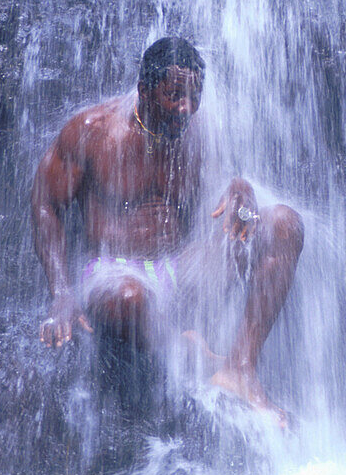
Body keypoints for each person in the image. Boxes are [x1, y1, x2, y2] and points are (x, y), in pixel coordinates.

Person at [30, 36, 304, 424]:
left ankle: (240, 370)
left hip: (182, 268)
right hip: (115, 275)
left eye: (194, 98)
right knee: (129, 297)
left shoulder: (198, 130)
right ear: (144, 89)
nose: (185, 109)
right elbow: (45, 203)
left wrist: (241, 190)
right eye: (174, 95)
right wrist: (60, 294)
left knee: (283, 224)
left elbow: (225, 188)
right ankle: (183, 350)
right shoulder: (93, 131)